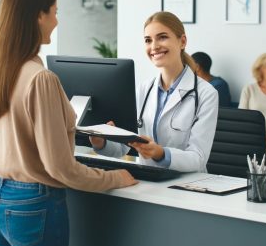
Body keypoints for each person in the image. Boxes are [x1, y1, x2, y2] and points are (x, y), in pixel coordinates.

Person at [0, 0, 136, 246]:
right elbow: (60, 168)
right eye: (55, 12)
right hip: (33, 202)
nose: (57, 21)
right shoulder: (40, 79)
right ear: (38, 16)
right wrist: (115, 178)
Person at [91, 11, 219, 173]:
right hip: (148, 181)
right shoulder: (144, 89)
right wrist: (100, 142)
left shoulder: (206, 94)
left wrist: (160, 153)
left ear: (182, 41)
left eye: (162, 37)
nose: (154, 46)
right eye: (148, 40)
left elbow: (198, 159)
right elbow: (124, 149)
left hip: (187, 186)